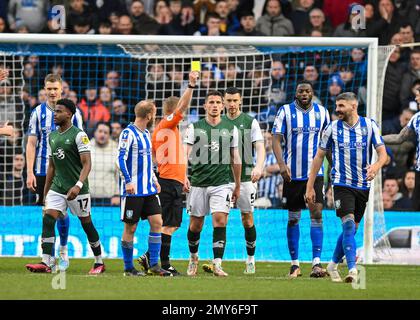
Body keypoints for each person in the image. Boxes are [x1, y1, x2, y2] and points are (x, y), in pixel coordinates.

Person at [305, 92, 387, 283]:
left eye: (341, 106)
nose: (337, 109)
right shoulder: (332, 128)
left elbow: (382, 154)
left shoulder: (370, 125)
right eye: (337, 105)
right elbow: (318, 157)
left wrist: (375, 166)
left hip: (363, 185)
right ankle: (352, 270)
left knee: (353, 229)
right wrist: (310, 186)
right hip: (341, 184)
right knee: (348, 225)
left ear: (353, 106)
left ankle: (333, 265)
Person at [25, 99, 105, 274]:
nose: (55, 114)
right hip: (58, 187)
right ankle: (46, 262)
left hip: (78, 190)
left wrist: (77, 185)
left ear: (69, 114)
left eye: (59, 111)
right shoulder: (52, 136)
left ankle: (99, 261)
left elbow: (87, 164)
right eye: (55, 111)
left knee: (86, 224)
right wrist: (46, 193)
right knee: (48, 218)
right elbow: (51, 167)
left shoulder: (79, 135)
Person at [137, 71, 199, 276]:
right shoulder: (167, 124)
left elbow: (160, 159)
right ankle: (162, 263)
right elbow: (182, 107)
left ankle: (150, 257)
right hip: (168, 182)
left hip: (173, 180)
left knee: (170, 225)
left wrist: (184, 177)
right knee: (167, 225)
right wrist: (190, 86)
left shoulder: (166, 132)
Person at [272, 81, 330, 278]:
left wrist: (333, 169)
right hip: (291, 174)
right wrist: (281, 165)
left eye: (307, 91)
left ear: (312, 94)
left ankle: (316, 263)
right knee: (293, 218)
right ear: (295, 93)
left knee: (317, 214)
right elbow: (276, 140)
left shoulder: (323, 112)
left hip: (315, 174)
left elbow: (327, 143)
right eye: (300, 91)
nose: (304, 94)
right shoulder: (285, 111)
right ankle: (295, 264)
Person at [26, 74, 83, 271]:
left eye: (55, 89)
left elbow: (81, 140)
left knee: (61, 214)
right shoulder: (37, 113)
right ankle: (47, 259)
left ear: (61, 89)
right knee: (47, 214)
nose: (51, 92)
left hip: (66, 171)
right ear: (44, 89)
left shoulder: (74, 113)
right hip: (44, 171)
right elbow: (32, 143)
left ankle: (64, 249)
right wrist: (30, 172)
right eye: (48, 89)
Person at [184, 90, 241, 277]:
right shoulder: (195, 127)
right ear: (205, 106)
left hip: (222, 183)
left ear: (222, 105)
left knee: (220, 220)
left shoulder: (231, 129)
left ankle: (217, 264)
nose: (215, 105)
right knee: (195, 226)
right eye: (211, 102)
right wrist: (183, 176)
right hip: (198, 183)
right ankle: (193, 258)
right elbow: (185, 155)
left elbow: (236, 158)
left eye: (218, 102)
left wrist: (238, 184)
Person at [117, 100, 171, 277]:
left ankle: (154, 265)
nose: (154, 116)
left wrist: (154, 179)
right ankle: (128, 268)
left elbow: (147, 163)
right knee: (130, 228)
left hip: (148, 189)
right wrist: (128, 181)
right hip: (133, 190)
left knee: (157, 222)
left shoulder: (146, 133)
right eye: (154, 113)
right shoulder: (128, 133)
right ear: (148, 115)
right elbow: (120, 160)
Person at [217, 87, 265, 273]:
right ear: (223, 102)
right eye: (228, 100)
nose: (231, 104)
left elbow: (260, 147)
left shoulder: (250, 122)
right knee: (221, 219)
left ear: (240, 101)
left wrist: (259, 166)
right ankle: (218, 262)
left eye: (234, 100)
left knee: (247, 219)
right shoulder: (216, 122)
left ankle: (250, 259)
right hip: (221, 178)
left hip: (245, 178)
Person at [383, 85, 420, 211]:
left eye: (418, 95)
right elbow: (399, 138)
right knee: (416, 207)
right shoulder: (416, 118)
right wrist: (378, 139)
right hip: (419, 171)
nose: (416, 98)